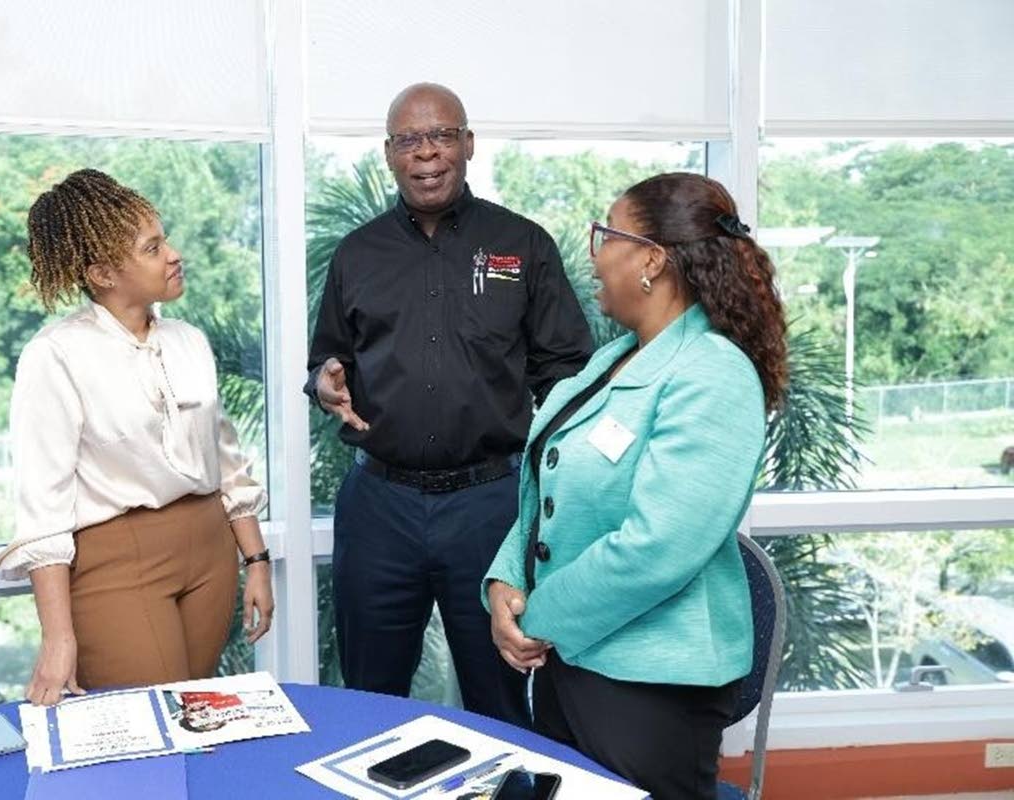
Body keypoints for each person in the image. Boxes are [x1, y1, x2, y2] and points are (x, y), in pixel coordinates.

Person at [483, 172, 788, 799]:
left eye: (605, 234)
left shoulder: (714, 373)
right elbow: (549, 487)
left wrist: (538, 615)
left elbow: (658, 548)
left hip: (650, 688)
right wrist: (505, 580)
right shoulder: (616, 357)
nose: (593, 256)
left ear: (652, 258)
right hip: (573, 662)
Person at [306, 83, 593, 726]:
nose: (426, 153)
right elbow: (327, 360)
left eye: (441, 136)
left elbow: (568, 370)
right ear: (388, 154)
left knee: (500, 701)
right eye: (409, 140)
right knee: (368, 703)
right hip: (380, 510)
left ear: (468, 144)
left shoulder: (523, 245)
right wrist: (324, 383)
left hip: (488, 508)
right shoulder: (357, 254)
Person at [0, 168, 274, 706]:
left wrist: (255, 561)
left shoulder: (189, 342)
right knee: (150, 730)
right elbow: (43, 509)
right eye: (153, 247)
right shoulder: (56, 356)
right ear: (102, 273)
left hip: (210, 551)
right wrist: (58, 637)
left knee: (199, 723)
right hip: (118, 562)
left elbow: (227, 461)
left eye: (164, 239)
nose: (173, 254)